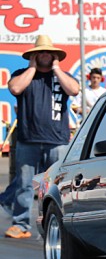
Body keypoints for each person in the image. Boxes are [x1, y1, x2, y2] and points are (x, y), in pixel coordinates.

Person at [6, 35, 79, 239]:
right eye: (40, 52)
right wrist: (32, 67)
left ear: (54, 55)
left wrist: (56, 68)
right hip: (28, 140)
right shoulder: (22, 74)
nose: (45, 55)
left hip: (57, 141)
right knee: (25, 184)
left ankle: (57, 222)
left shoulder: (63, 76)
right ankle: (20, 225)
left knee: (56, 186)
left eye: (48, 52)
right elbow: (15, 88)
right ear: (34, 55)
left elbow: (74, 89)